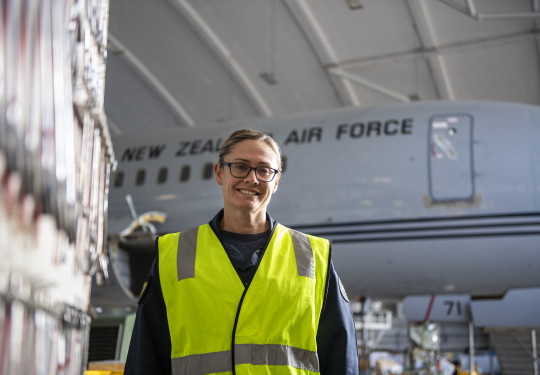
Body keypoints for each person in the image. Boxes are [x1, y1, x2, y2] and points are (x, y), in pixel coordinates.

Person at [124, 129, 359, 375]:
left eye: (264, 170)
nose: (252, 179)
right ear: (219, 173)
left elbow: (340, 358)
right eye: (240, 167)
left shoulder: (313, 256)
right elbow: (146, 357)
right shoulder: (173, 254)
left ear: (276, 182)